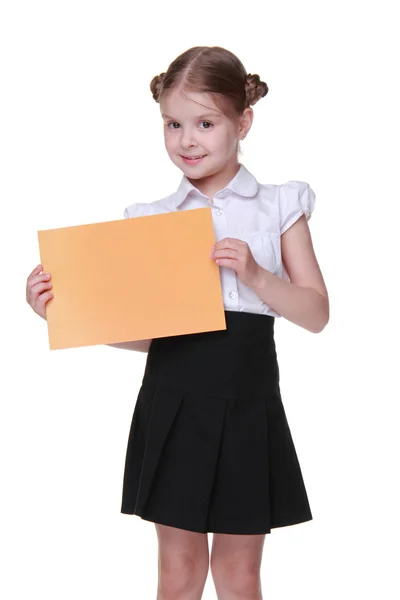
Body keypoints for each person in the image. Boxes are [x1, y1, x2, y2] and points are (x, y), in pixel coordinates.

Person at [26, 45, 329, 600]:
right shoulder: (152, 222)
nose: (187, 140)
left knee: (239, 575)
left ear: (244, 121)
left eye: (205, 123)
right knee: (178, 571)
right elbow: (149, 336)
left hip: (248, 400)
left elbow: (316, 314)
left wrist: (259, 277)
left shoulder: (280, 206)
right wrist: (61, 309)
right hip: (174, 396)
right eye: (173, 124)